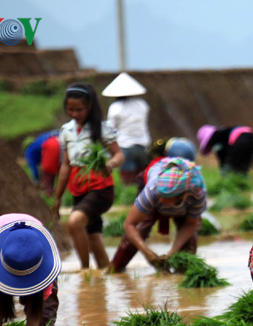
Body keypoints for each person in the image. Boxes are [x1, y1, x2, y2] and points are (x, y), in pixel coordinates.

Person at [52, 83, 124, 270]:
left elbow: (119, 155)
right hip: (78, 189)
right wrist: (58, 198)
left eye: (79, 110)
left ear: (89, 106)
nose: (74, 114)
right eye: (70, 109)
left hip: (100, 187)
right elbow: (66, 165)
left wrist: (110, 163)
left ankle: (84, 271)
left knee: (75, 222)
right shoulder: (66, 130)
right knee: (93, 236)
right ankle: (108, 274)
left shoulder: (102, 128)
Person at [109, 145, 206, 273]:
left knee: (189, 244)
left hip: (185, 201)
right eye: (159, 196)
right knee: (140, 229)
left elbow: (190, 225)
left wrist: (172, 252)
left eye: (165, 197)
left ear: (181, 195)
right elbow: (129, 224)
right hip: (153, 177)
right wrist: (146, 251)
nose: (160, 200)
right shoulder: (153, 189)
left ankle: (182, 276)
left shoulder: (197, 193)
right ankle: (114, 270)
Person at [103, 72, 151, 185]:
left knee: (128, 179)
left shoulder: (115, 107)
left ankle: (128, 198)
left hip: (125, 145)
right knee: (142, 178)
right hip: (143, 143)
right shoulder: (142, 104)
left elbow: (111, 127)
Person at [23, 130, 60, 195]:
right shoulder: (38, 142)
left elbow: (33, 167)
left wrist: (36, 180)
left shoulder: (29, 151)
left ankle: (48, 196)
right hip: (60, 142)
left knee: (48, 176)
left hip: (52, 145)